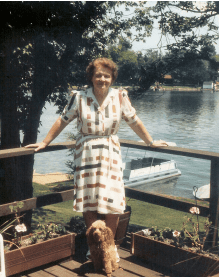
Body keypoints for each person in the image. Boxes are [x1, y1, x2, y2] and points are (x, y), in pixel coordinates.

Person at [25, 57, 167, 257]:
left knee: (114, 201)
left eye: (107, 76)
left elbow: (134, 121)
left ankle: (110, 248)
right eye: (98, 75)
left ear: (112, 78)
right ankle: (94, 248)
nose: (102, 79)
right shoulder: (79, 97)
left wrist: (150, 142)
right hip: (86, 153)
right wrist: (44, 142)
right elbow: (62, 120)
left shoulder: (120, 96)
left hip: (111, 152)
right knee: (88, 201)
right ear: (91, 77)